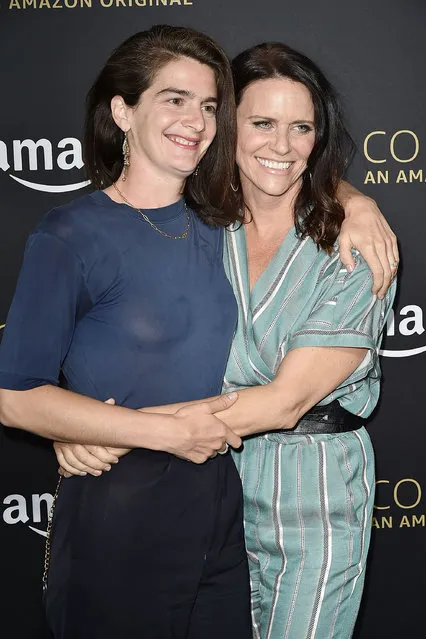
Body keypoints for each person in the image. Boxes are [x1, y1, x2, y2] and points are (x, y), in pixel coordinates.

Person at [0, 27, 396, 639]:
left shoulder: (293, 236)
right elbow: (25, 389)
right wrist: (81, 425)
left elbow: (288, 400)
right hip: (174, 498)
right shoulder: (166, 228)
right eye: (259, 123)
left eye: (302, 128)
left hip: (281, 501)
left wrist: (118, 430)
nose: (282, 145)